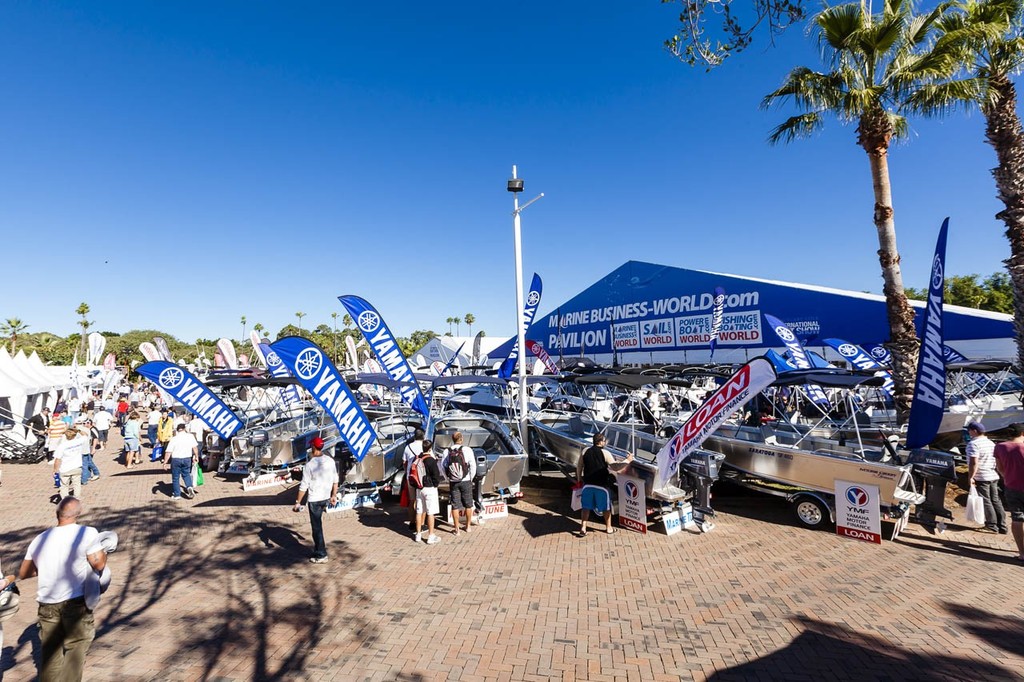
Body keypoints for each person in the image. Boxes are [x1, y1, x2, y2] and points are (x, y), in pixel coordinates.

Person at [0, 497, 107, 682]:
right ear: (78, 514)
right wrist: (105, 550)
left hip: (47, 602)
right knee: (77, 645)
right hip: (76, 601)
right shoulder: (87, 533)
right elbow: (98, 564)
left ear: (57, 514)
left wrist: (48, 565)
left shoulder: (40, 539)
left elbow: (25, 572)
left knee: (50, 652)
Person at [575, 433, 634, 536]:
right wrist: (627, 460)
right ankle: (609, 528)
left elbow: (579, 466)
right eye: (604, 441)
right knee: (606, 509)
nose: (605, 442)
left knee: (585, 507)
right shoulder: (605, 453)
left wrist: (579, 480)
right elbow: (615, 467)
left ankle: (583, 528)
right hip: (601, 486)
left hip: (587, 485)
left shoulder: (585, 451)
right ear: (601, 442)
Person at [292, 436, 338, 563]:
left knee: (316, 527)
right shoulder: (330, 461)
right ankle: (318, 549)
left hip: (315, 499)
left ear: (313, 447)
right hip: (326, 497)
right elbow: (335, 480)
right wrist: (333, 495)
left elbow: (303, 486)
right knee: (318, 526)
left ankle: (321, 554)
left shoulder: (310, 465)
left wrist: (298, 502)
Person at [965, 422, 1006, 534]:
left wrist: (971, 477)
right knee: (995, 500)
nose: (968, 432)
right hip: (992, 474)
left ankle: (991, 525)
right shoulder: (990, 443)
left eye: (969, 430)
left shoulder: (973, 444)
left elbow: (974, 462)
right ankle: (1002, 525)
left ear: (974, 431)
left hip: (982, 476)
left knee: (985, 500)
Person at [994, 422, 1024, 562]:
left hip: (1011, 486)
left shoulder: (1000, 447)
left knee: (1017, 519)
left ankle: (1022, 553)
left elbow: (1000, 468)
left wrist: (1008, 477)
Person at [441, 431, 476, 534]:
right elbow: (473, 466)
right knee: (468, 504)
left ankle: (456, 529)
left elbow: (442, 466)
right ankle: (468, 526)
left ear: (452, 439)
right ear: (462, 439)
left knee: (455, 505)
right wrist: (470, 478)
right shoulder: (468, 450)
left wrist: (447, 478)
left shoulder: (447, 451)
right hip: (466, 480)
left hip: (453, 481)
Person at [412, 439, 442, 545]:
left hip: (419, 487)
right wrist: (435, 484)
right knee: (430, 512)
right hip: (429, 488)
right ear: (430, 448)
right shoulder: (431, 460)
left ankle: (418, 534)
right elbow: (436, 476)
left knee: (419, 511)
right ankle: (431, 535)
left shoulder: (418, 458)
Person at [163, 423, 198, 500]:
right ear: (184, 429)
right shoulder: (190, 436)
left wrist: (165, 462)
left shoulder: (174, 439)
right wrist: (196, 456)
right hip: (187, 458)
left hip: (176, 459)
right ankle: (189, 487)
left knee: (175, 477)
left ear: (177, 430)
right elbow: (195, 447)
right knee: (186, 474)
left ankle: (177, 494)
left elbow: (168, 451)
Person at [54, 427, 89, 500]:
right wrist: (79, 430)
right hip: (77, 466)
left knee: (64, 486)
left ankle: (65, 500)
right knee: (77, 484)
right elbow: (86, 435)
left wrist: (55, 470)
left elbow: (57, 459)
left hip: (65, 468)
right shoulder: (78, 442)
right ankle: (77, 498)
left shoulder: (62, 446)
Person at [402, 428, 425, 528]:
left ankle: (412, 522)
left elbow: (404, 462)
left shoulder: (408, 447)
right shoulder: (425, 446)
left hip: (410, 477)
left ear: (414, 436)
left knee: (412, 501)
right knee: (422, 501)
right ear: (423, 436)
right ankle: (422, 523)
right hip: (422, 477)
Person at [80, 420, 101, 485]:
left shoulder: (92, 429)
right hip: (87, 447)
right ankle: (88, 475)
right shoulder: (86, 429)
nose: (83, 424)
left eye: (85, 423)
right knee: (88, 461)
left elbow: (96, 438)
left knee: (88, 462)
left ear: (89, 423)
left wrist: (93, 448)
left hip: (90, 447)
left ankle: (96, 473)